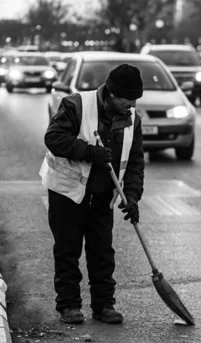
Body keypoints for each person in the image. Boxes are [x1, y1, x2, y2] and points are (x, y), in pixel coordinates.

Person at [39, 64, 145, 324]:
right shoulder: (76, 105)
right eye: (127, 98)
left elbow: (134, 163)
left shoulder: (133, 120)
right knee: (68, 250)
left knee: (102, 253)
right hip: (68, 193)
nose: (131, 104)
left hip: (101, 196)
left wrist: (131, 197)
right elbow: (53, 138)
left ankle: (104, 306)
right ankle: (69, 306)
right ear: (111, 92)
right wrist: (89, 152)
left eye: (135, 99)